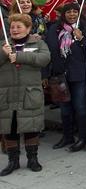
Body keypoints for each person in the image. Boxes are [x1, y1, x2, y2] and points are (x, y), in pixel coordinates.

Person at [0, 13, 50, 175]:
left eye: (19, 26)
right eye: (12, 26)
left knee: (31, 127)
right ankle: (13, 161)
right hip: (7, 95)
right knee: (10, 128)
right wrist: (3, 54)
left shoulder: (38, 43)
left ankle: (32, 159)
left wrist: (20, 56)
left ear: (28, 28)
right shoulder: (4, 44)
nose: (14, 30)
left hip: (29, 94)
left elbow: (44, 59)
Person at [44, 2, 86, 153]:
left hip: (79, 76)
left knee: (81, 107)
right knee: (65, 108)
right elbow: (48, 52)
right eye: (69, 12)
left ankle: (83, 138)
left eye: (74, 12)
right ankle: (67, 136)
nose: (72, 14)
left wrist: (82, 39)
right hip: (60, 75)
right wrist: (46, 74)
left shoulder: (84, 28)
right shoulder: (54, 29)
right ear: (63, 14)